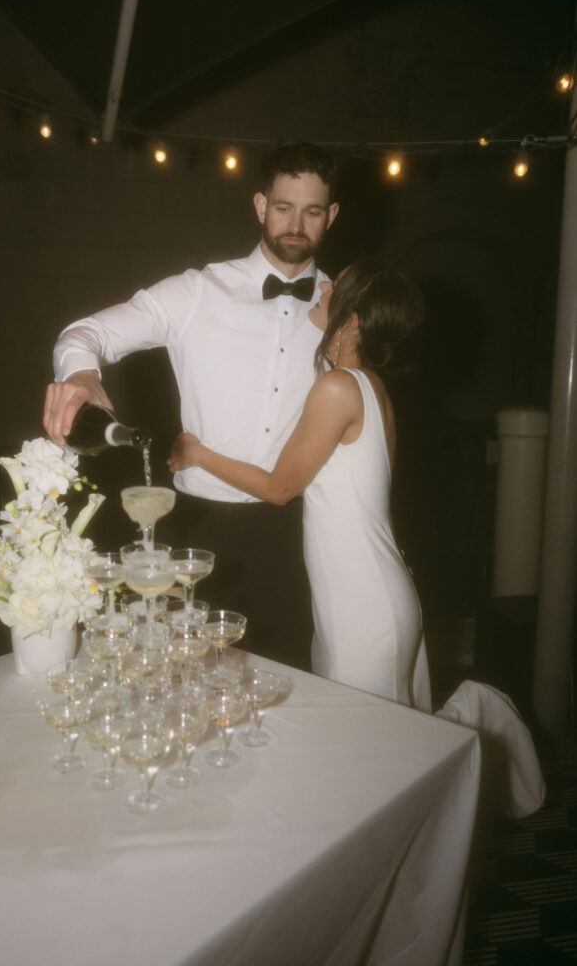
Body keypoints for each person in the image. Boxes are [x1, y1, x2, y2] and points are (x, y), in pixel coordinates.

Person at [43, 142, 340, 670]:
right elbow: (83, 332)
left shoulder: (343, 306)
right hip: (200, 532)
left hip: (300, 532)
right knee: (188, 682)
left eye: (312, 210)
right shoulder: (197, 292)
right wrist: (82, 373)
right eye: (283, 207)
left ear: (331, 216)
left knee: (290, 689)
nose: (296, 224)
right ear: (259, 206)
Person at [168, 258, 432, 711]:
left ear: (350, 321)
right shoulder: (371, 386)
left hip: (362, 609)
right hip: (370, 593)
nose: (323, 287)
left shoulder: (337, 387)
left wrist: (197, 454)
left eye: (335, 287)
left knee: (360, 757)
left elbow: (278, 489)